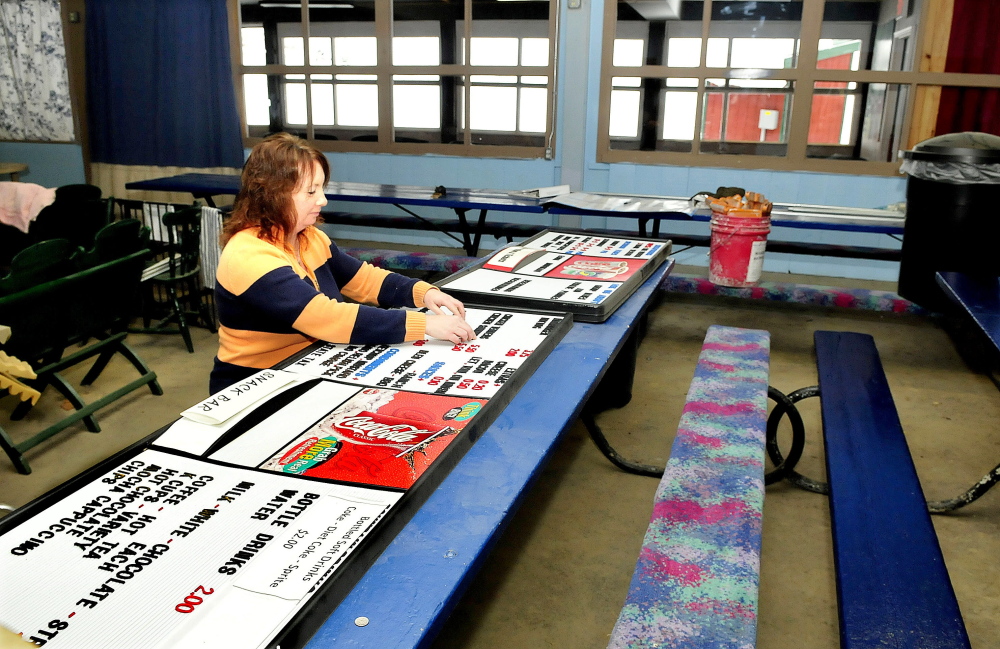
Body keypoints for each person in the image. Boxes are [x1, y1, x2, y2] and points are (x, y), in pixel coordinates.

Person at [211, 133, 475, 394]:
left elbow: (362, 279)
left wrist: (423, 292)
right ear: (272, 194)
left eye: (322, 188)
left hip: (307, 366)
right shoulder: (249, 255)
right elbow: (326, 317)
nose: (323, 200)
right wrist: (424, 325)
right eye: (311, 191)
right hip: (254, 385)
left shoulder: (310, 237)